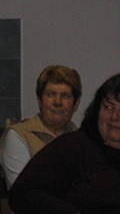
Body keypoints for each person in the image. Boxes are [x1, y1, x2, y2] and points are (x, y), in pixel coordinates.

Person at [9, 72, 120, 214]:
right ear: (97, 110)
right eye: (109, 107)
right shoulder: (72, 147)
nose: (115, 117)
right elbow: (23, 193)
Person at [0, 65, 81, 188]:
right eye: (50, 94)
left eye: (65, 96)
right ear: (39, 100)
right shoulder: (19, 136)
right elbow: (24, 191)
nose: (57, 102)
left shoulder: (80, 138)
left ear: (75, 103)